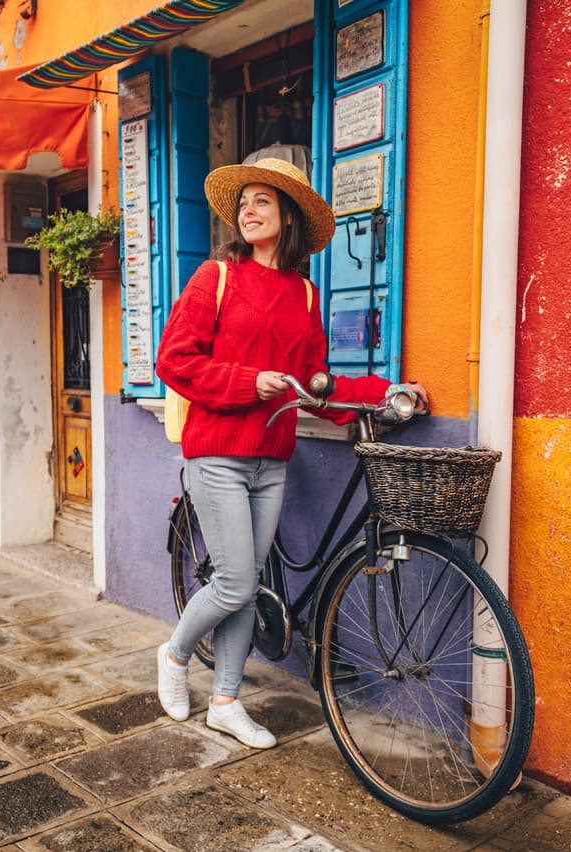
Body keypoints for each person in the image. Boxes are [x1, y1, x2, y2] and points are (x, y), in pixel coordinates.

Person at [153, 158, 428, 748]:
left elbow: (315, 385)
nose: (248, 212)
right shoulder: (215, 278)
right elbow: (174, 361)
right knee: (233, 583)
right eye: (244, 203)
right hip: (218, 453)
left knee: (247, 582)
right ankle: (175, 655)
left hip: (272, 460)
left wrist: (388, 394)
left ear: (288, 219)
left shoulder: (304, 293)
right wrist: (250, 383)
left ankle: (225, 701)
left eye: (262, 203)